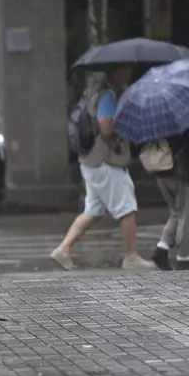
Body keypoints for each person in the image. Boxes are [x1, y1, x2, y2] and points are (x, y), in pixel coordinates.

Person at [50, 67, 155, 271]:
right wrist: (125, 120)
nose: (128, 72)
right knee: (126, 207)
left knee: (94, 211)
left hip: (90, 162)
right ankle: (131, 257)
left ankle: (63, 250)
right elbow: (106, 128)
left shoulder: (94, 94)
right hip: (105, 162)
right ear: (114, 73)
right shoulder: (107, 96)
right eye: (124, 69)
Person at [149, 121, 189, 270]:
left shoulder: (156, 119)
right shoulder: (185, 117)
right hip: (183, 172)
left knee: (178, 213)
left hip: (162, 171)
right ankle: (184, 258)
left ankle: (162, 249)